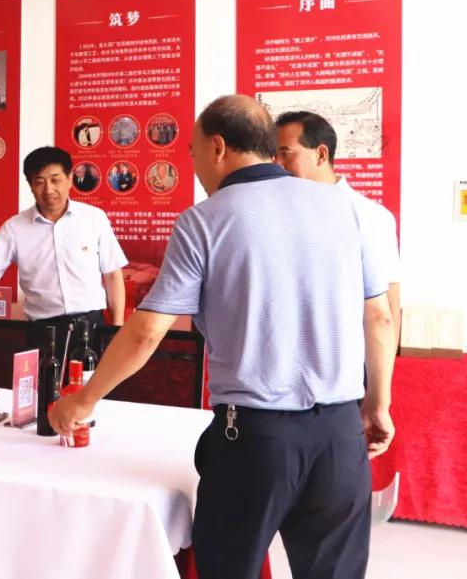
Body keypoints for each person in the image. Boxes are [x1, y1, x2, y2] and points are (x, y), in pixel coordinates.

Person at [51, 95, 396, 579]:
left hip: (255, 439)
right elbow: (379, 319)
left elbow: (148, 331)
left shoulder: (205, 220)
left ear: (217, 147)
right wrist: (377, 405)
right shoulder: (351, 210)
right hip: (341, 434)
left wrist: (83, 402)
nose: (193, 166)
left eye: (192, 152)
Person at [0, 146, 127, 339]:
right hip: (42, 331)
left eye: (55, 180)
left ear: (69, 179)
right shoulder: (14, 227)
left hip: (91, 326)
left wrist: (116, 329)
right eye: (40, 182)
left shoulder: (94, 218)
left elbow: (112, 276)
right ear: (30, 185)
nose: (48, 190)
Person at [275, 110, 402, 344]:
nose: (277, 164)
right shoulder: (273, 213)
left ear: (321, 154)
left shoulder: (369, 216)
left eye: (285, 153)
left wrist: (383, 366)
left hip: (346, 357)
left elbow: (387, 310)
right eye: (273, 155)